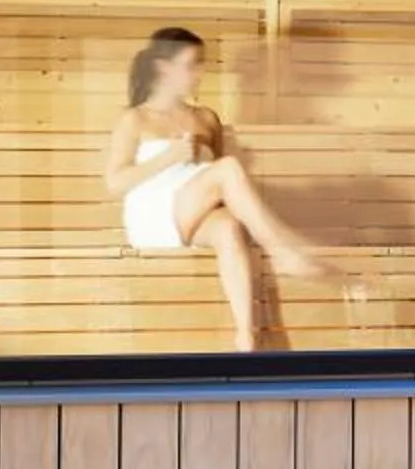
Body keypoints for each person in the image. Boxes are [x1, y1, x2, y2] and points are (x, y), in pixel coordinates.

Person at [103, 27, 323, 353]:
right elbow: (114, 183)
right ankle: (282, 252)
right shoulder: (135, 119)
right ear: (164, 67)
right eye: (192, 64)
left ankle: (247, 338)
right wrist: (168, 158)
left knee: (229, 227)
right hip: (153, 215)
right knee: (229, 168)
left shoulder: (206, 118)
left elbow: (221, 187)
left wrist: (208, 165)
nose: (200, 72)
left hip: (193, 213)